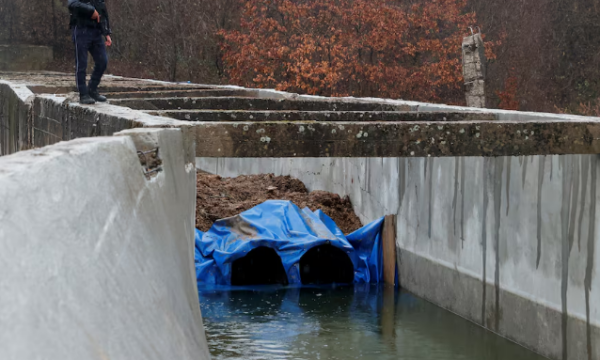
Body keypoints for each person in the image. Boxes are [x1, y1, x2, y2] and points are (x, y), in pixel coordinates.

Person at [67, 0, 112, 105]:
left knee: (102, 61)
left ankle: (92, 89)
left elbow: (103, 12)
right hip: (80, 28)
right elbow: (71, 4)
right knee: (82, 63)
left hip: (96, 31)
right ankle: (83, 94)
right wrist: (90, 10)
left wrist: (106, 33)